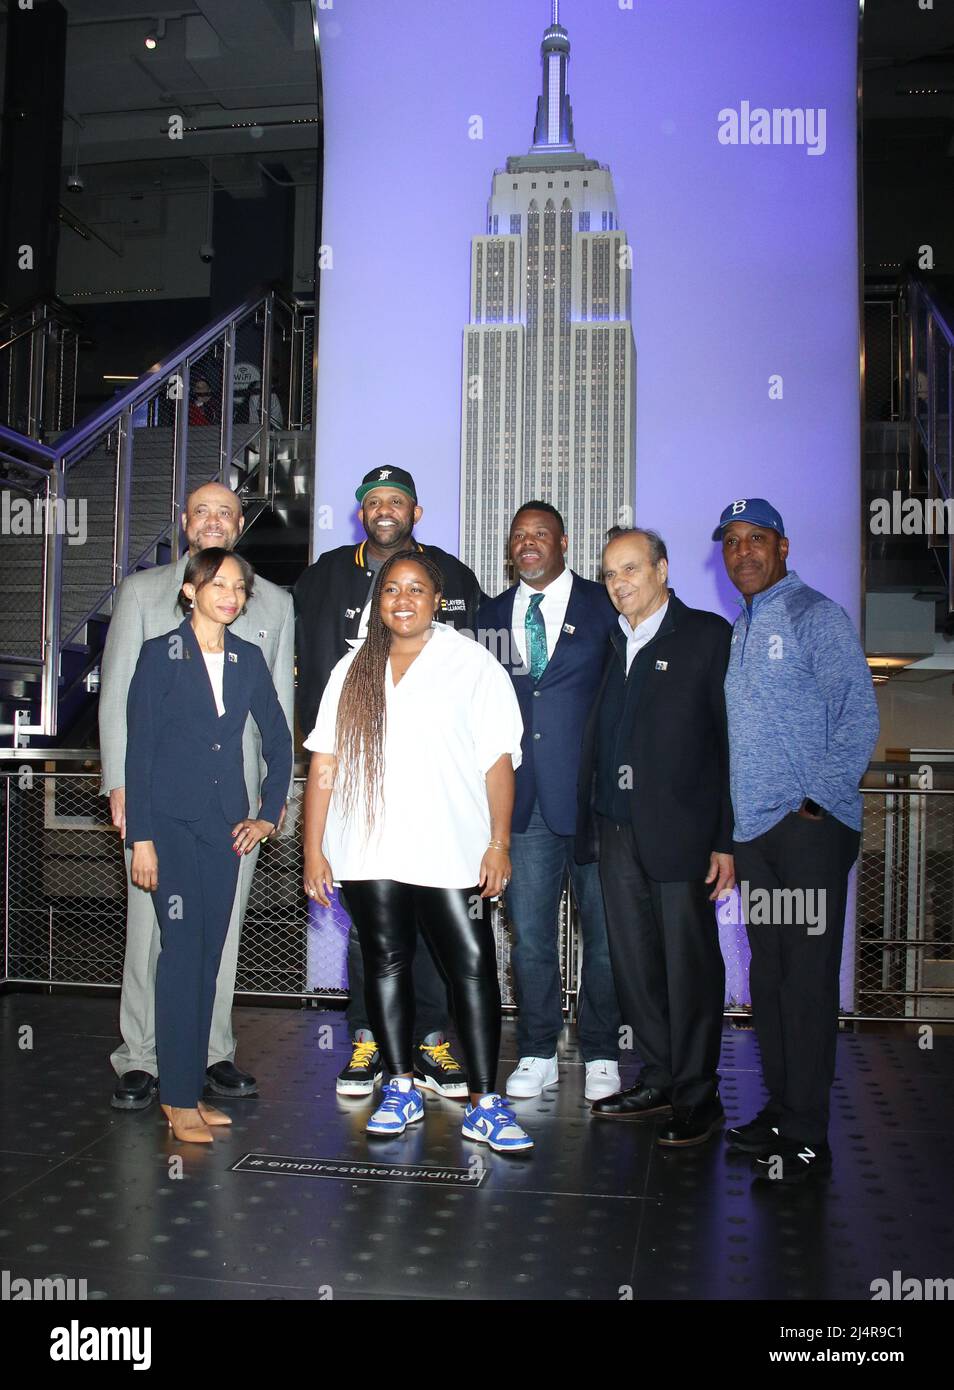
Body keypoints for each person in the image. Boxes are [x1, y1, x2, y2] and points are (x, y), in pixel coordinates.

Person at [302, 552, 533, 1152]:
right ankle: (400, 1085)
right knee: (385, 964)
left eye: (417, 589)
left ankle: (486, 1101)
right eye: (391, 590)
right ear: (379, 601)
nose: (403, 599)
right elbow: (324, 764)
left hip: (452, 849)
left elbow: (498, 761)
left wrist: (498, 842)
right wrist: (314, 850)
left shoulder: (473, 663)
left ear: (438, 599)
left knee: (473, 967)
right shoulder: (352, 667)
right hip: (368, 850)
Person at [99, 482, 295, 1111]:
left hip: (232, 810)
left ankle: (212, 1052)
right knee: (150, 933)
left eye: (226, 513)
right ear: (184, 522)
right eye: (203, 511)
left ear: (241, 524)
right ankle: (142, 1056)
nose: (214, 520)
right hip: (161, 797)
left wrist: (275, 802)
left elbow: (279, 715)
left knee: (222, 931)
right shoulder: (140, 594)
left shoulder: (273, 605)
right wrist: (121, 787)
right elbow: (118, 706)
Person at [294, 466, 485, 1100]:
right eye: (373, 502)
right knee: (370, 924)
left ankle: (430, 1039)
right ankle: (368, 1039)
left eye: (395, 501)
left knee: (432, 918)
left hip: (435, 790)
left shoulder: (454, 575)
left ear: (416, 512)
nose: (384, 511)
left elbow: (477, 682)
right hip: (354, 785)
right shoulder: (323, 575)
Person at [715, 498, 879, 1183]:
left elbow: (858, 715)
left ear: (783, 547)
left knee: (807, 985)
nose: (743, 551)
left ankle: (808, 1133)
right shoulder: (741, 630)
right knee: (772, 980)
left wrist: (817, 801)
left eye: (757, 539)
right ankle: (783, 1111)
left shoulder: (818, 617)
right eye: (732, 542)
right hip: (757, 837)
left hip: (808, 833)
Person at [576, 528, 735, 1146]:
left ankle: (699, 1095)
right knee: (636, 965)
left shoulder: (707, 637)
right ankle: (661, 1076)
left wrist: (725, 838)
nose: (620, 584)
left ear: (663, 570)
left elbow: (728, 745)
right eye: (612, 574)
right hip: (615, 832)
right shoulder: (611, 642)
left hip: (683, 835)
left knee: (688, 965)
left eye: (632, 569)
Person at [477, 502, 622, 1101]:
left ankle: (601, 1051)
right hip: (522, 804)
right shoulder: (487, 616)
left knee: (606, 935)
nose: (528, 544)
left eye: (540, 534)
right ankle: (537, 1049)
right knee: (530, 935)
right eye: (519, 537)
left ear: (564, 541)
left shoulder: (605, 604)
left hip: (594, 803)